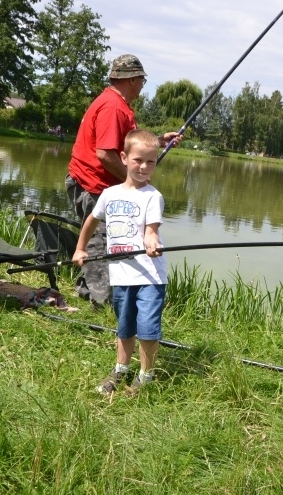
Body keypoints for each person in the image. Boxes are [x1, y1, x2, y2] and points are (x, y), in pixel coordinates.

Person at [65, 54, 180, 306]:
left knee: (106, 240)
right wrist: (135, 181)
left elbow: (122, 146)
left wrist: (158, 141)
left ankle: (88, 293)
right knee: (101, 242)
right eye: (142, 80)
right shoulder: (113, 107)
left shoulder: (117, 104)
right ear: (132, 79)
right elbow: (105, 154)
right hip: (91, 185)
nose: (142, 85)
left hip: (93, 183)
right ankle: (100, 301)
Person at [72, 129, 169, 395]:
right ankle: (120, 370)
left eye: (151, 161)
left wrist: (151, 242)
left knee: (147, 330)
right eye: (138, 160)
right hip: (122, 276)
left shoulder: (152, 196)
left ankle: (145, 376)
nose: (144, 166)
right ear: (124, 158)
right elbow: (91, 220)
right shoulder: (109, 194)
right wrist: (80, 248)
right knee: (124, 327)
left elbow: (151, 230)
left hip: (149, 277)